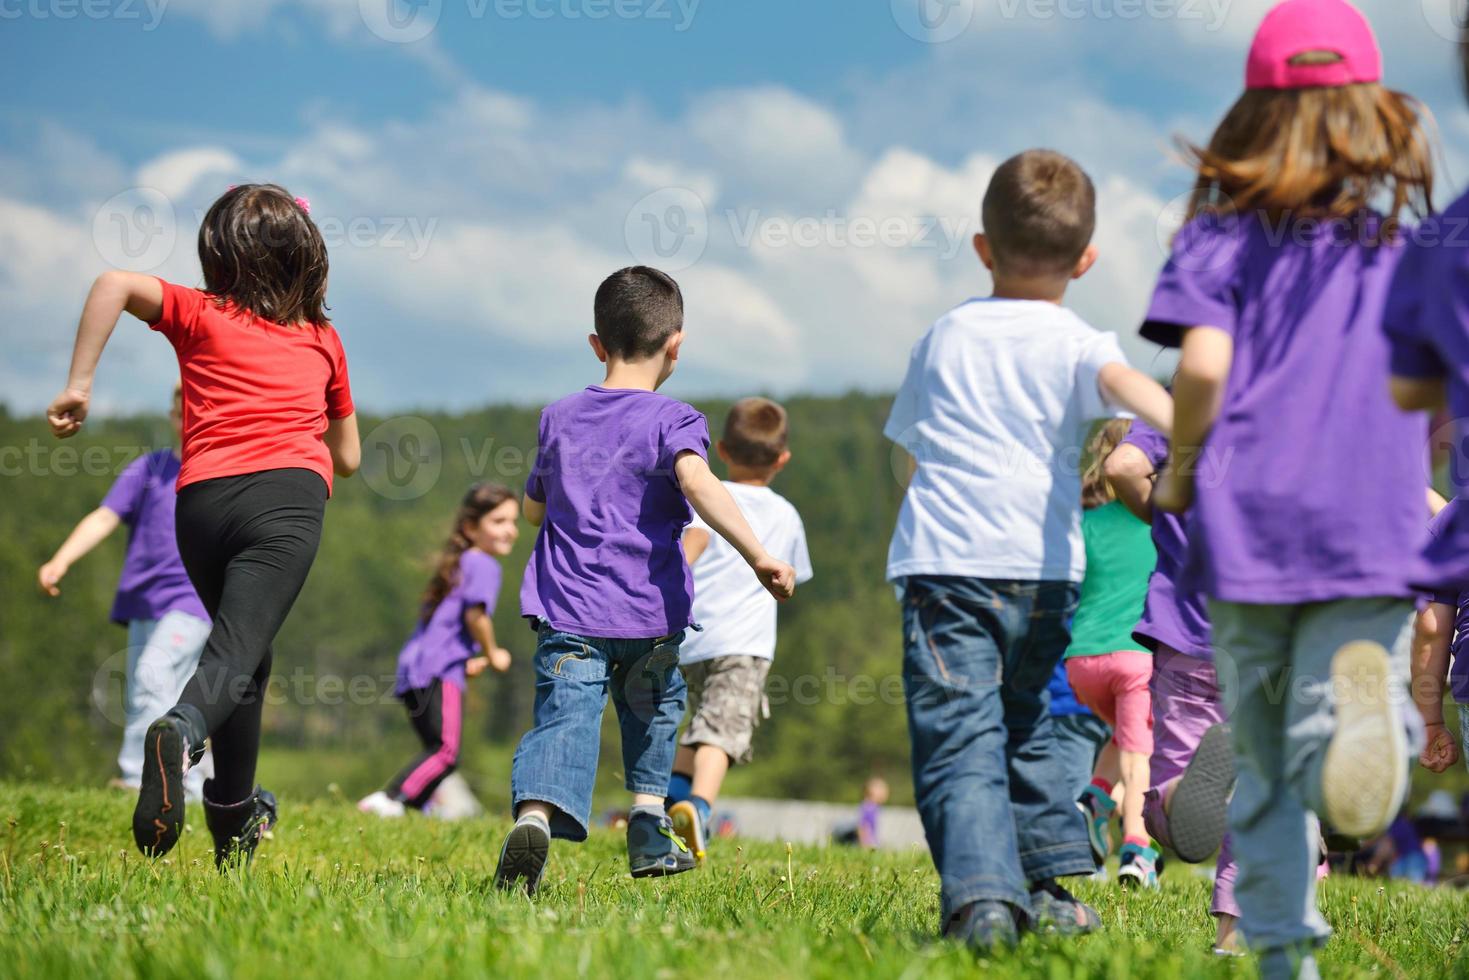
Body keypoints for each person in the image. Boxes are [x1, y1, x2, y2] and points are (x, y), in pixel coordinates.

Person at [1146, 2, 1435, 974]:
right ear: (1372, 118)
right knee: (1339, 712)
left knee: (1262, 766)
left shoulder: (1217, 241)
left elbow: (1201, 367)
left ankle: (1278, 957)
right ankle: (1371, 726)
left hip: (1247, 535)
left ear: (1250, 119)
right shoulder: (1401, 250)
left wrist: (1182, 470)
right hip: (1371, 525)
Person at [885, 148, 1173, 950]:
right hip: (1045, 576)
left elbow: (911, 454)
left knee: (959, 737)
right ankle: (1048, 885)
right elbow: (1136, 393)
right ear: (1085, 260)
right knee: (1027, 732)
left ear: (982, 246)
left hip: (946, 567)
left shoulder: (942, 338)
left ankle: (983, 903)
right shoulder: (1081, 341)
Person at [46, 184, 361, 869]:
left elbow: (112, 283)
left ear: (217, 253)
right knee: (235, 654)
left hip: (201, 501)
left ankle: (232, 831)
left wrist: (80, 383)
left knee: (244, 655)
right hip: (286, 498)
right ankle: (182, 730)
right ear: (308, 260)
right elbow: (351, 457)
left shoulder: (198, 312)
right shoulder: (321, 339)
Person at [493, 266, 797, 895]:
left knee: (564, 719)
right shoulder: (676, 420)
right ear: (676, 345)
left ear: (596, 344)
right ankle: (649, 823)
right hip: (650, 616)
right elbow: (698, 483)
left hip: (570, 611)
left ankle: (535, 818)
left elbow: (534, 508)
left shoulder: (559, 417)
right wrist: (757, 553)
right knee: (656, 713)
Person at [38, 383, 215, 801]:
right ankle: (197, 786)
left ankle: (137, 777)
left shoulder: (215, 475)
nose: (186, 422)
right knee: (169, 692)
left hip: (195, 601)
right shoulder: (148, 471)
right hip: (144, 603)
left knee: (152, 675)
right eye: (179, 414)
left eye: (195, 413)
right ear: (171, 418)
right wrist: (61, 559)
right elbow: (104, 517)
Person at [1105, 416, 1240, 952]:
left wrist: (1161, 516)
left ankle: (1187, 793)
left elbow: (1121, 465)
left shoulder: (1175, 411)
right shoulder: (1275, 409)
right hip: (1263, 641)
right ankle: (1232, 939)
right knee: (1261, 793)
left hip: (1186, 642)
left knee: (1166, 820)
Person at [664, 397, 813, 863]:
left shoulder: (705, 502)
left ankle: (668, 804)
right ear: (783, 460)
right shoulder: (784, 514)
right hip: (743, 646)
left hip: (690, 642)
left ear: (722, 450)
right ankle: (700, 809)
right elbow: (793, 577)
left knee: (696, 729)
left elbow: (685, 553)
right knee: (721, 735)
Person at [358, 484, 517, 818]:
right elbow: (476, 615)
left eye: (512, 522)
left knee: (435, 750)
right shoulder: (484, 564)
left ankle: (408, 811)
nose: (510, 530)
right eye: (499, 521)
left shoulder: (458, 563)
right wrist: (492, 653)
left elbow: (445, 626)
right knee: (445, 752)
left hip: (416, 668)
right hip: (438, 669)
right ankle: (389, 799)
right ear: (472, 527)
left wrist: (468, 661)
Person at [1064, 419, 1159, 888]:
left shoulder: (1084, 523)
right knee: (1141, 754)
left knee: (1125, 737)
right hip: (1136, 658)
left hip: (1081, 661)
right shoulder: (1162, 524)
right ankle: (1138, 848)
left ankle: (1094, 801)